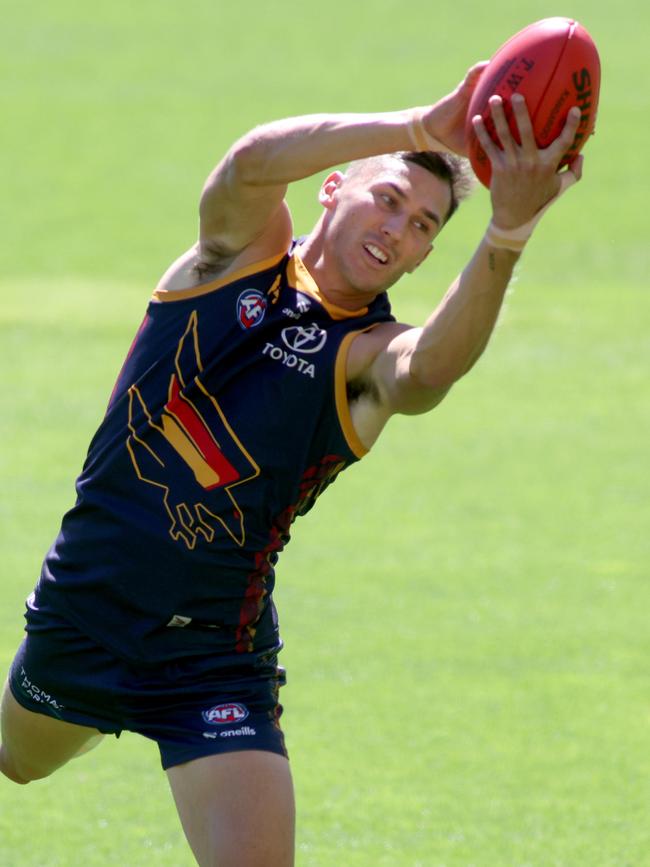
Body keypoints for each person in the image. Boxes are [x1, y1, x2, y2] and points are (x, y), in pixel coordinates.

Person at [0, 61, 583, 866]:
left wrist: (507, 233)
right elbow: (249, 163)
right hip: (84, 604)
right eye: (387, 198)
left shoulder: (367, 354)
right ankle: (90, 710)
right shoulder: (239, 255)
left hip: (211, 655)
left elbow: (430, 370)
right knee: (17, 761)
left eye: (422, 226)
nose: (398, 229)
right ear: (332, 186)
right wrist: (419, 127)